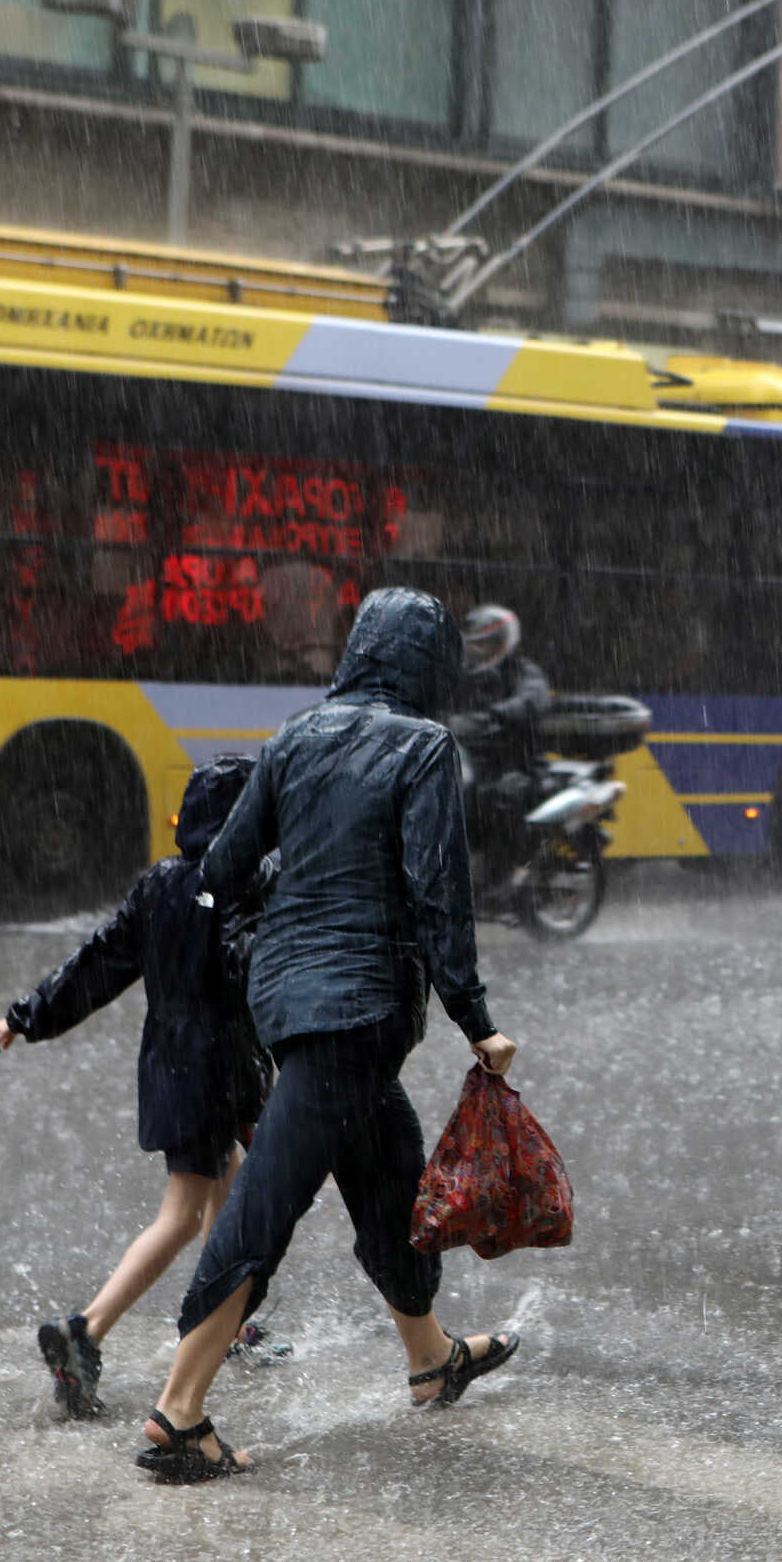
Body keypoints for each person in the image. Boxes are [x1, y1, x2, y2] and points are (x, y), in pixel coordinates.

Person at [134, 587, 520, 1483]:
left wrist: (302, 893)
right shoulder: (422, 747)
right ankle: (179, 1413)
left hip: (295, 1003)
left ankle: (431, 1362)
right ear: (429, 664)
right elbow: (438, 896)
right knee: (265, 1203)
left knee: (392, 1169)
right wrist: (478, 1020)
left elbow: (224, 870)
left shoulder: (296, 737)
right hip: (363, 1007)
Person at [0, 757, 273, 1419]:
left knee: (224, 1185)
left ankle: (229, 1320)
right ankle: (85, 1330)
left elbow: (99, 961)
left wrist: (25, 1017)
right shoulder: (244, 886)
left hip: (170, 1064)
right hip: (216, 1070)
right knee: (182, 1214)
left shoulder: (160, 884)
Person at [451, 604, 552, 884]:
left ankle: (503, 875)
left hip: (517, 763)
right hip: (472, 761)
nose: (481, 651)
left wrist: (504, 711)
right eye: (477, 645)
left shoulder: (522, 671)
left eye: (488, 644)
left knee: (499, 799)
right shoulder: (463, 676)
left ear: (505, 642)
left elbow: (534, 698)